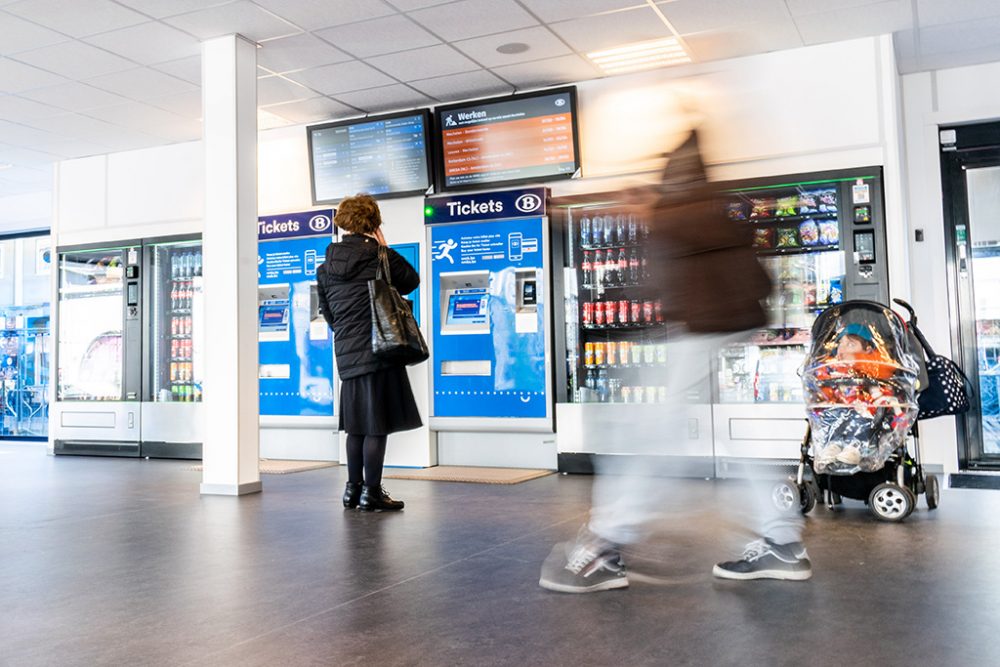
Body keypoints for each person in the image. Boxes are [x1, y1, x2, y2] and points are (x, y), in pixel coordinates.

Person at [539, 130, 811, 594]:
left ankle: (607, 542)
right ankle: (783, 540)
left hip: (702, 327)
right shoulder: (706, 208)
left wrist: (595, 208)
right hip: (718, 324)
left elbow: (659, 224)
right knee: (716, 446)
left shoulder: (680, 210)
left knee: (643, 433)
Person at [316, 194, 421, 512]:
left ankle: (352, 490)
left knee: (357, 425)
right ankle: (371, 492)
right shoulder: (379, 256)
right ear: (373, 223)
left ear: (343, 224)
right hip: (380, 349)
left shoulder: (325, 268)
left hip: (347, 356)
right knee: (376, 425)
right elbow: (410, 281)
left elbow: (328, 313)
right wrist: (384, 246)